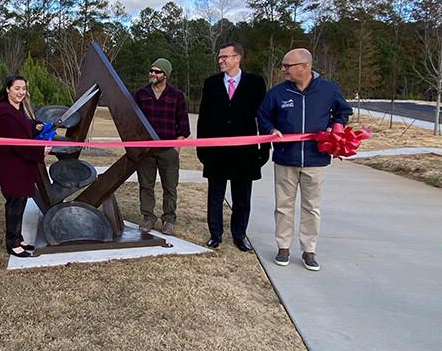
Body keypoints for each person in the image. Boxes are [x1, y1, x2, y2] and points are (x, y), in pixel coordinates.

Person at [257, 48, 352, 271]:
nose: (283, 70)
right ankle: (283, 247)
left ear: (304, 66)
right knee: (284, 206)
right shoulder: (278, 93)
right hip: (285, 159)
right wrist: (271, 130)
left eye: (287, 66)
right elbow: (263, 115)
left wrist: (335, 128)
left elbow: (343, 111)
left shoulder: (329, 90)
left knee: (311, 207)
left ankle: (309, 250)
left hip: (316, 159)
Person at [197, 42, 269, 252]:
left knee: (242, 198)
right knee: (215, 197)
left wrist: (264, 148)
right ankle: (215, 234)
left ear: (238, 58)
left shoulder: (255, 83)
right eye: (220, 58)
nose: (221, 61)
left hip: (244, 153)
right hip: (216, 153)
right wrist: (202, 149)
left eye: (225, 57)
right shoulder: (211, 83)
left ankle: (239, 235)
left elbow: (262, 117)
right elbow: (204, 118)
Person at [0, 75, 48, 258]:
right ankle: (12, 243)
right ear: (7, 89)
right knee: (14, 202)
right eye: (17, 88)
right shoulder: (3, 112)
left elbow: (25, 126)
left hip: (21, 165)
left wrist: (36, 126)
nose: (21, 92)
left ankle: (18, 237)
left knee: (20, 201)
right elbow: (18, 143)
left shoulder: (18, 109)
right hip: (10, 165)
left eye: (24, 89)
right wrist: (41, 152)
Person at [133, 58, 191, 236]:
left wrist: (176, 148)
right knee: (146, 185)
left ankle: (169, 219)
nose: (152, 74)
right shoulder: (141, 94)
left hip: (168, 150)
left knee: (170, 186)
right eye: (151, 70)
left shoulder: (177, 95)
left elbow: (183, 124)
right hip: (146, 151)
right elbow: (133, 121)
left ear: (165, 75)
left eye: (157, 71)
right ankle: (148, 217)